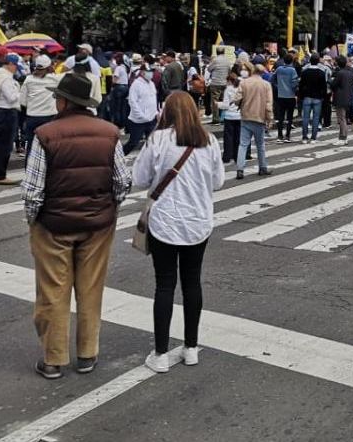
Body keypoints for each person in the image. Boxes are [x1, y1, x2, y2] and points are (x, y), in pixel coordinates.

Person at [23, 72, 131, 380]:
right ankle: (87, 353)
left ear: (64, 101)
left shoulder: (45, 133)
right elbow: (122, 182)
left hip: (53, 224)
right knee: (90, 289)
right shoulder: (109, 132)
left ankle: (53, 359)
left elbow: (32, 191)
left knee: (52, 291)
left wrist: (35, 222)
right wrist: (107, 209)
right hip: (97, 224)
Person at [132, 91, 224, 373]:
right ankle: (191, 348)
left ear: (166, 113)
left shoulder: (158, 140)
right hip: (198, 221)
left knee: (164, 285)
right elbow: (218, 181)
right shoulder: (208, 140)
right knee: (192, 283)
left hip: (165, 222)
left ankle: (160, 353)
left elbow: (139, 179)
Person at [233, 61, 274, 180]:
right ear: (262, 73)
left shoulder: (244, 82)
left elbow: (237, 98)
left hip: (246, 116)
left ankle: (240, 169)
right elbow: (268, 105)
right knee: (260, 145)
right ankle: (262, 167)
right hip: (259, 118)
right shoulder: (266, 85)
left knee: (243, 144)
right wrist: (269, 119)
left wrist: (238, 104)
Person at [0, 54, 23, 184]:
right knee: (5, 145)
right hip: (7, 111)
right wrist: (22, 92)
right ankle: (0, 175)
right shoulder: (6, 78)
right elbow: (11, 97)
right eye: (15, 66)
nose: (16, 69)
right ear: (10, 64)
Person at [21, 55, 60, 154]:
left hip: (32, 117)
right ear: (49, 67)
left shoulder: (29, 79)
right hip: (49, 117)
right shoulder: (55, 79)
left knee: (31, 147)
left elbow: (22, 101)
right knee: (50, 147)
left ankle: (29, 168)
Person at [124, 61, 158, 155]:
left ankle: (149, 161)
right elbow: (132, 102)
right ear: (142, 72)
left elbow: (153, 99)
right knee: (133, 142)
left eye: (152, 71)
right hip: (138, 121)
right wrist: (141, 115)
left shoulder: (151, 84)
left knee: (152, 143)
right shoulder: (136, 84)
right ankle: (119, 157)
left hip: (151, 120)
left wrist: (156, 113)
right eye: (149, 71)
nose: (151, 73)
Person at [298, 54, 328, 143]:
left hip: (307, 97)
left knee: (305, 118)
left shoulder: (305, 72)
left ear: (309, 61)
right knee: (316, 118)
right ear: (318, 61)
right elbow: (324, 87)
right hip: (318, 97)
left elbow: (301, 85)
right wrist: (323, 96)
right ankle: (313, 137)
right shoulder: (321, 73)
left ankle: (304, 137)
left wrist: (301, 96)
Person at [272, 54, 299, 143]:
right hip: (290, 96)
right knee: (289, 117)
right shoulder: (293, 70)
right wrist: (295, 89)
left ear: (284, 61)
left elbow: (273, 79)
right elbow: (294, 84)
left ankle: (280, 136)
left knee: (280, 117)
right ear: (291, 61)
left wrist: (277, 87)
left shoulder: (279, 69)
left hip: (280, 95)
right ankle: (287, 136)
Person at [331, 55, 353, 145]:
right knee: (344, 118)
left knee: (341, 119)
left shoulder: (340, 73)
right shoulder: (350, 73)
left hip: (340, 98)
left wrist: (330, 81)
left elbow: (333, 85)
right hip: (348, 97)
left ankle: (343, 138)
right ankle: (342, 138)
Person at [220, 70, 243, 162]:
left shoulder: (228, 89)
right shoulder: (240, 89)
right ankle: (237, 156)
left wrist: (217, 104)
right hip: (239, 115)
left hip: (229, 116)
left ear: (229, 80)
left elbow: (226, 105)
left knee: (228, 137)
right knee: (238, 137)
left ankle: (227, 156)